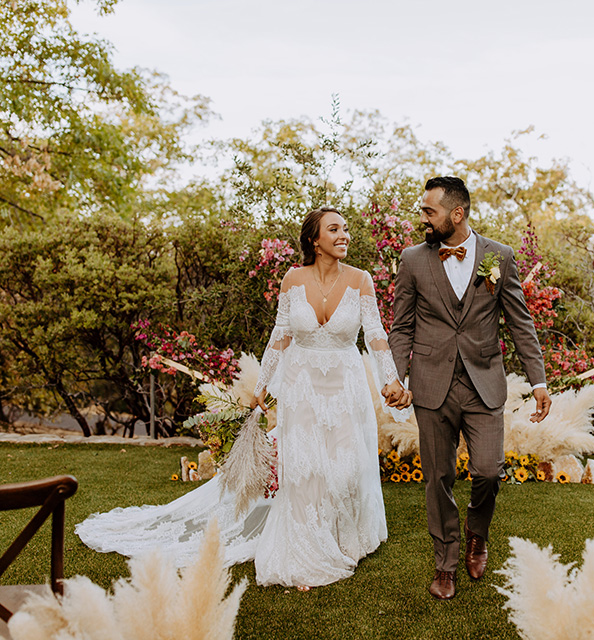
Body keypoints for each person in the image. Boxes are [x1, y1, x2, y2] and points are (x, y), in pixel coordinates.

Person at [77, 206, 404, 590]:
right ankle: (308, 548)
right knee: (306, 470)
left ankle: (344, 536)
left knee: (345, 466)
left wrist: (391, 380)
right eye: (334, 229)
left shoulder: (361, 280)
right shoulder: (292, 279)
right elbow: (280, 336)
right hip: (301, 387)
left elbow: (377, 335)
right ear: (315, 240)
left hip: (344, 388)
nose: (344, 235)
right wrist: (262, 385)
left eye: (345, 229)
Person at [385, 176, 551, 600]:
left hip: (483, 383)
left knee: (489, 471)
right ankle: (446, 564)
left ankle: (478, 533)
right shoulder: (412, 260)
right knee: (438, 478)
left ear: (456, 214)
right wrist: (397, 375)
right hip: (431, 384)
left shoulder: (500, 257)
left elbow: (519, 321)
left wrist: (538, 381)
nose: (423, 217)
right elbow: (402, 325)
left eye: (429, 211)